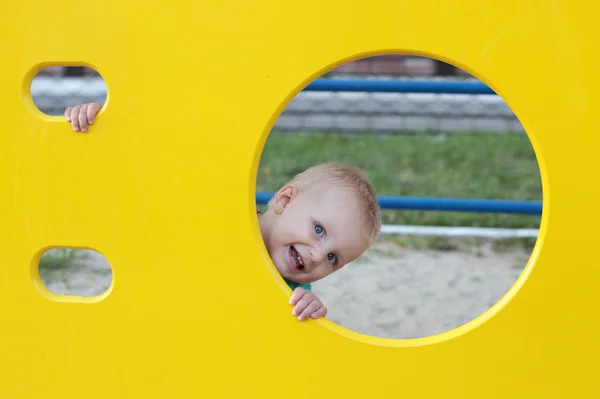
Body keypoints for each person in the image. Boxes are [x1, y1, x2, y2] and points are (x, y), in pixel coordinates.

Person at [64, 104, 382, 322]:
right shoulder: (221, 211)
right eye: (319, 231)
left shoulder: (291, 292)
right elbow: (155, 175)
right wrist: (106, 128)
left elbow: (282, 331)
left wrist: (308, 310)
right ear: (285, 200)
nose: (317, 256)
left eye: (333, 259)